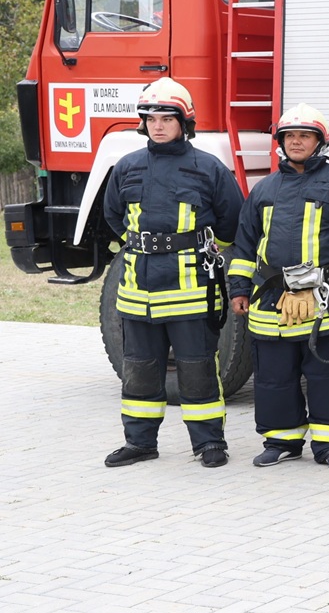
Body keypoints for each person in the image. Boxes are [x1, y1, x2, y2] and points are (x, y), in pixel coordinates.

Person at [103, 77, 244, 469]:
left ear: (186, 122)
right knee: (139, 373)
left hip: (191, 292)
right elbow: (115, 216)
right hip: (138, 293)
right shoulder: (127, 167)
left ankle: (209, 443)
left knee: (198, 369)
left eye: (167, 117)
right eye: (151, 118)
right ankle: (140, 442)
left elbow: (233, 222)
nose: (159, 125)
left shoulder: (208, 168)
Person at [227, 103, 329, 470]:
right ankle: (282, 439)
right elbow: (245, 244)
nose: (296, 142)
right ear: (280, 142)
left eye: (304, 136)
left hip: (323, 299)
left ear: (320, 142)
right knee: (274, 376)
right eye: (289, 136)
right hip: (272, 299)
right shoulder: (265, 190)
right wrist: (239, 288)